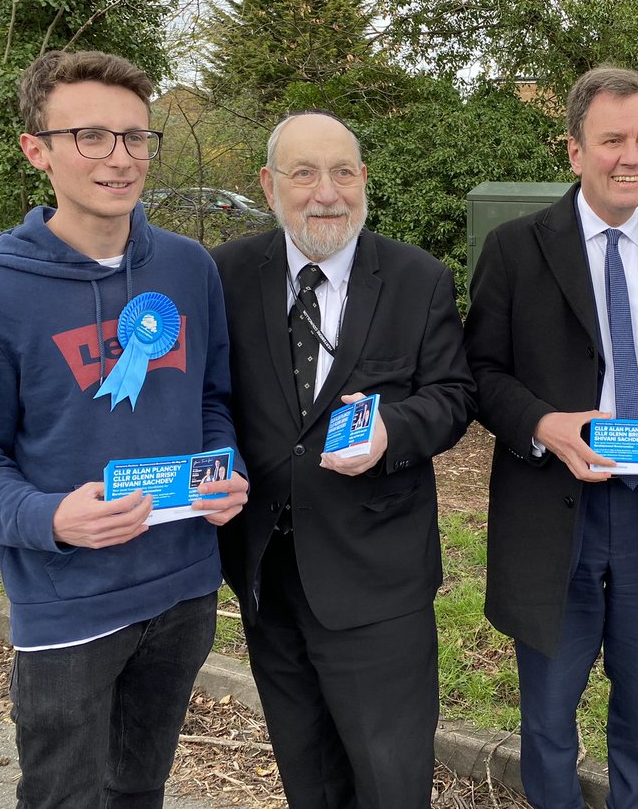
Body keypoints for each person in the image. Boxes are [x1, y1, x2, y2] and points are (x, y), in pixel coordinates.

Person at [0, 49, 248, 808]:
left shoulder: (187, 268)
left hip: (184, 591)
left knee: (139, 789)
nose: (120, 158)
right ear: (36, 149)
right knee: (63, 798)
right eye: (92, 137)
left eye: (137, 137)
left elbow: (212, 399)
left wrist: (222, 466)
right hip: (67, 605)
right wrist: (52, 518)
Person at [465, 66, 638, 807]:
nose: (632, 156)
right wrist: (544, 425)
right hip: (556, 511)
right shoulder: (518, 249)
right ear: (575, 151)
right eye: (612, 139)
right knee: (549, 715)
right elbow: (481, 371)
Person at [212, 109, 475, 809]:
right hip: (266, 572)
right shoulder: (228, 274)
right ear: (269, 184)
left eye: (343, 171)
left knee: (390, 781)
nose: (326, 191)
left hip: (376, 578)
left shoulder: (419, 279)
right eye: (304, 173)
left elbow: (453, 396)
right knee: (308, 774)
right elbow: (210, 394)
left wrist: (391, 431)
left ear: (364, 180)